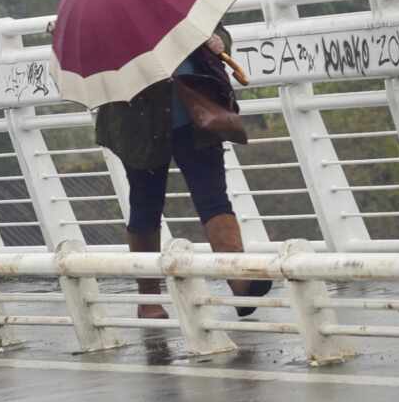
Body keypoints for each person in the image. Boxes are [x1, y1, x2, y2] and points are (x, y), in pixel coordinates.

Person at [95, 23, 271, 319]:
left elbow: (216, 28)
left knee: (214, 199)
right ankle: (148, 298)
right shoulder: (105, 19)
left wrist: (218, 41)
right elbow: (98, 71)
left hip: (196, 116)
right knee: (145, 206)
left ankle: (239, 279)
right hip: (138, 125)